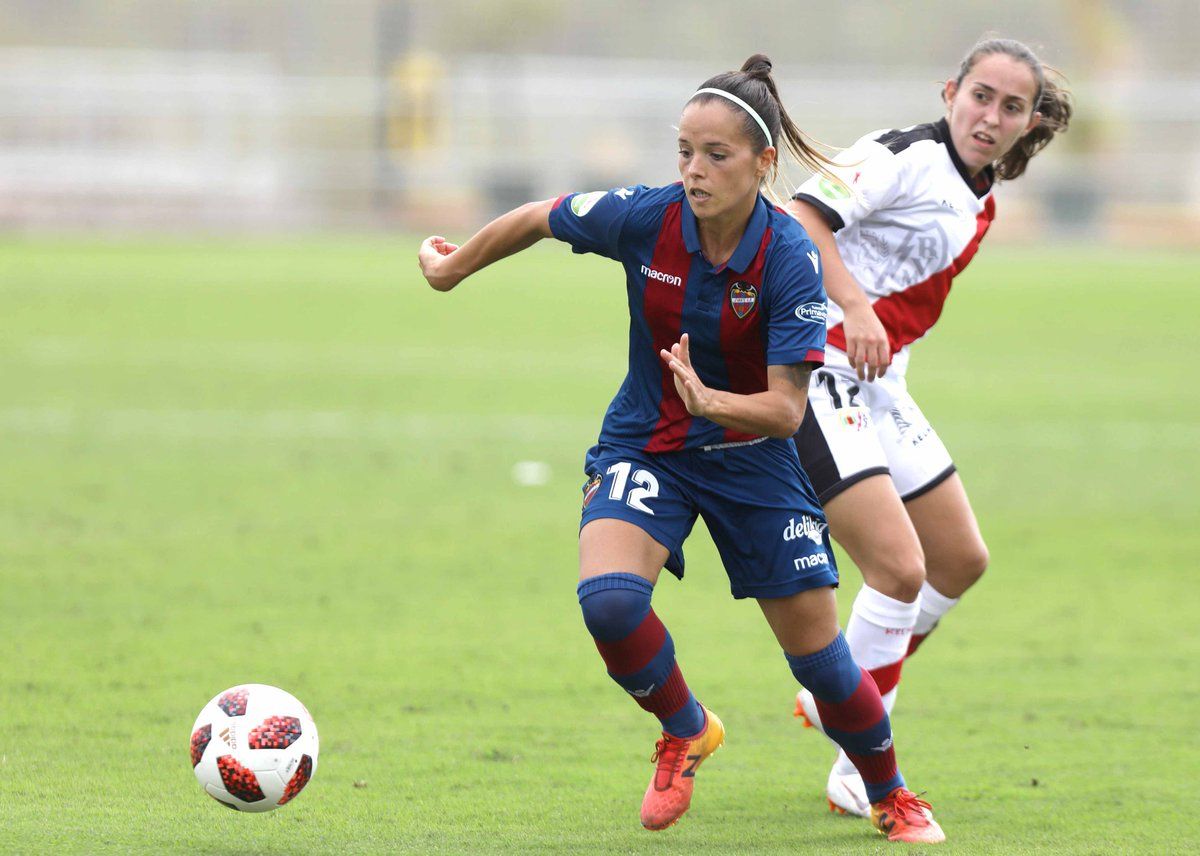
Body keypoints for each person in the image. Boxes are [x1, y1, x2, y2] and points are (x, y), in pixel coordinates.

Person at [418, 54, 945, 845]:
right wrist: (452, 268)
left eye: (716, 156)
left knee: (821, 662)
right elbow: (538, 215)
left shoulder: (790, 260)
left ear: (764, 164)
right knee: (610, 604)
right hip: (648, 443)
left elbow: (785, 409)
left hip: (754, 458)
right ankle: (686, 729)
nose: (694, 171)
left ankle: (890, 793)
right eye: (685, 152)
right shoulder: (645, 216)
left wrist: (712, 402)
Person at [785, 38, 1073, 817]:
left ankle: (840, 690)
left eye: (1011, 106)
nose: (991, 115)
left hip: (880, 381)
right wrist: (850, 307)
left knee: (959, 559)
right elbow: (798, 217)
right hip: (815, 367)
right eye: (981, 95)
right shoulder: (896, 156)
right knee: (899, 571)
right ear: (952, 91)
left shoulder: (981, 200)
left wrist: (876, 330)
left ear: (1029, 122)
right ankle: (859, 763)